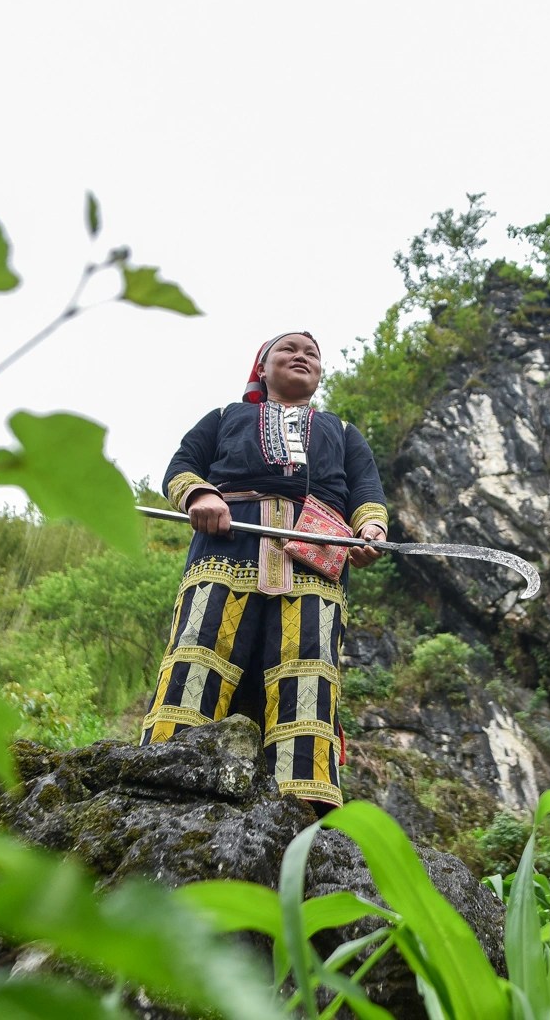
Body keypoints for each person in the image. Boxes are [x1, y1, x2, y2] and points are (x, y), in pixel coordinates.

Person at [138, 331, 387, 809]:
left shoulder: (342, 430)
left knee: (309, 664)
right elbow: (182, 466)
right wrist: (202, 496)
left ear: (319, 372)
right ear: (262, 368)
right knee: (201, 647)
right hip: (227, 546)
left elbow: (367, 492)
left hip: (316, 557)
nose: (301, 356)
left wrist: (370, 530)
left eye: (311, 353)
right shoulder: (227, 417)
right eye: (288, 350)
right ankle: (166, 766)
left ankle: (304, 799)